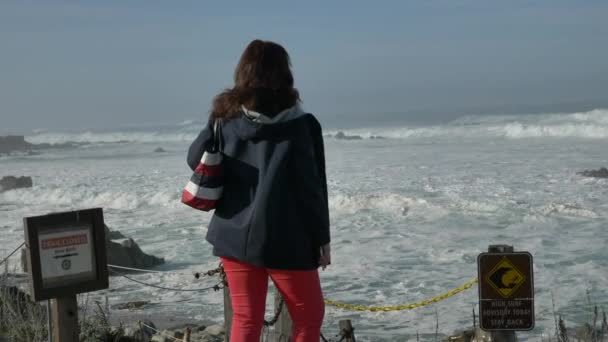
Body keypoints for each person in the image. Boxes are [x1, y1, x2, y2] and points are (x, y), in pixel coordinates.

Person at [187, 39, 330, 342]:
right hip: (288, 240)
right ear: (285, 74)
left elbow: (194, 160)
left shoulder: (224, 119)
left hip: (233, 236)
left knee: (245, 318)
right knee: (309, 318)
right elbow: (312, 189)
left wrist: (216, 120)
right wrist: (322, 240)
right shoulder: (303, 125)